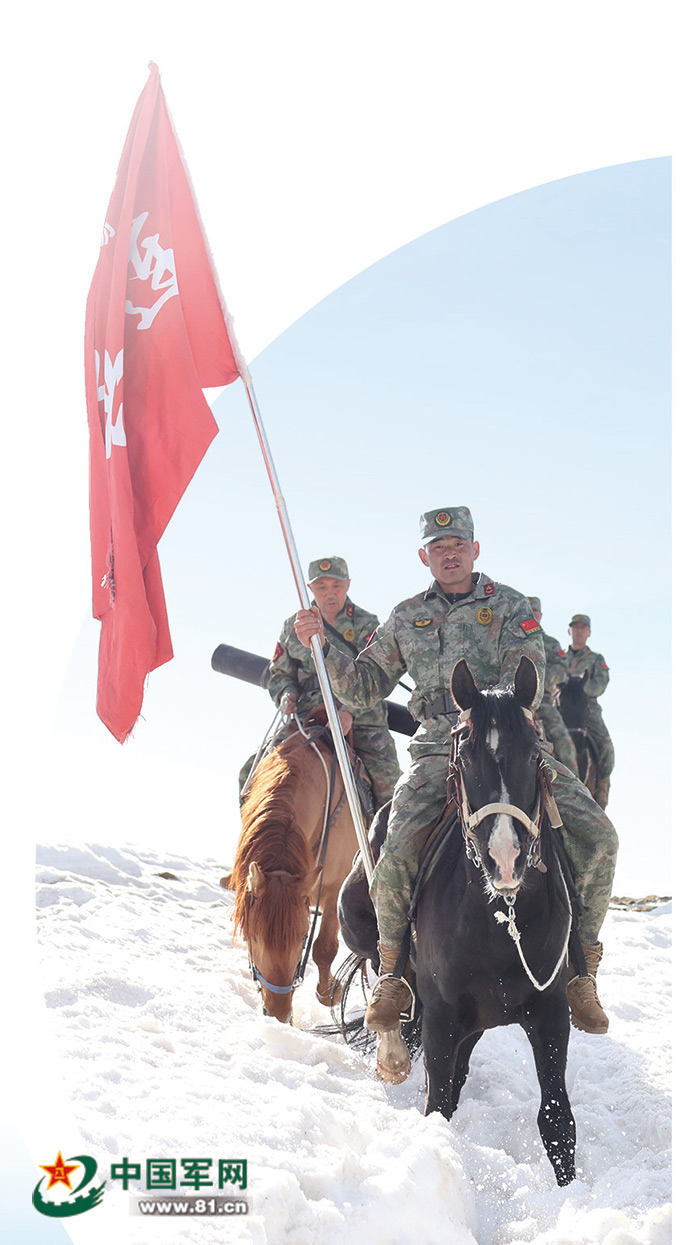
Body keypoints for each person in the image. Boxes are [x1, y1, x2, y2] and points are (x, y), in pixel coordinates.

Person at [294, 508, 618, 1064]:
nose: (450, 555)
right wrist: (321, 645)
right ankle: (393, 974)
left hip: (508, 740)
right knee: (395, 848)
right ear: (424, 556)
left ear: (475, 549)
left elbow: (529, 673)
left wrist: (494, 718)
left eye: (458, 545)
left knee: (600, 837)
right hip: (437, 749)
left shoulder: (510, 606)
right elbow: (365, 687)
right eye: (439, 547)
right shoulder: (406, 616)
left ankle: (581, 971)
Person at [262, 557, 400, 809]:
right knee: (254, 772)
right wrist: (287, 694)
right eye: (321, 586)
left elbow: (377, 673)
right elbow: (280, 673)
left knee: (388, 783)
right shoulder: (294, 626)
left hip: (362, 720)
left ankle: (386, 833)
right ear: (310, 588)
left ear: (348, 584)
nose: (330, 593)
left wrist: (349, 712)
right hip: (307, 719)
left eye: (336, 585)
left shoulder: (365, 623)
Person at [564, 614, 615, 809]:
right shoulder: (559, 658)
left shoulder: (595, 659)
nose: (579, 631)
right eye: (575, 627)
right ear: (569, 631)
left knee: (606, 746)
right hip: (561, 707)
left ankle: (601, 786)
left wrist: (578, 688)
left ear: (589, 632)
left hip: (587, 708)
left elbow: (600, 683)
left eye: (582, 627)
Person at [527, 596, 578, 774]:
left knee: (565, 745)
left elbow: (562, 669)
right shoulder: (508, 638)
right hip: (511, 704)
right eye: (526, 611)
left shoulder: (550, 643)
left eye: (534, 612)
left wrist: (539, 679)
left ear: (540, 615)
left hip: (543, 705)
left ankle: (574, 785)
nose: (530, 615)